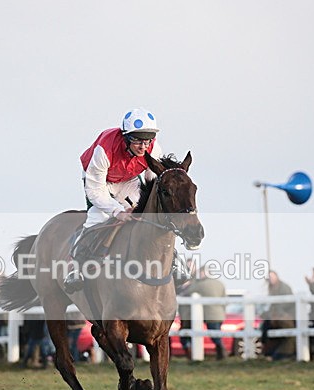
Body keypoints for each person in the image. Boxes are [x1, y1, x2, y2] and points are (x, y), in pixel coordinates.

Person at [64, 108, 174, 293]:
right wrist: (118, 211)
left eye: (147, 140)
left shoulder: (153, 149)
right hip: (100, 182)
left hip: (127, 180)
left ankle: (174, 260)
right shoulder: (104, 149)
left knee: (145, 217)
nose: (143, 146)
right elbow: (95, 190)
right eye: (137, 140)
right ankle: (75, 269)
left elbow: (150, 181)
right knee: (97, 218)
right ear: (125, 138)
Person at [178, 263, 227, 360]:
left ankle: (219, 354)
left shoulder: (200, 284)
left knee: (214, 336)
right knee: (216, 335)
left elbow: (186, 292)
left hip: (208, 314)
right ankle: (221, 354)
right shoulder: (219, 283)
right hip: (219, 314)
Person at [260, 271, 295, 360]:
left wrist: (277, 314)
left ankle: (273, 353)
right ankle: (268, 351)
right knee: (266, 328)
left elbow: (287, 304)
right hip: (277, 316)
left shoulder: (284, 288)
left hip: (283, 316)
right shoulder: (272, 288)